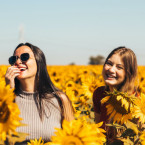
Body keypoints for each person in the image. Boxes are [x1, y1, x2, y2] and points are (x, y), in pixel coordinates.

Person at [5, 43, 74, 143]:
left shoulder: (59, 99)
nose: (18, 62)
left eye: (24, 57)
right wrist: (8, 92)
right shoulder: (4, 100)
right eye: (13, 59)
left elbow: (72, 136)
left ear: (39, 61)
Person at [93, 46, 138, 143]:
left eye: (119, 67)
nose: (111, 70)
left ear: (128, 73)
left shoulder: (137, 101)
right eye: (109, 64)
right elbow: (98, 129)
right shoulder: (99, 94)